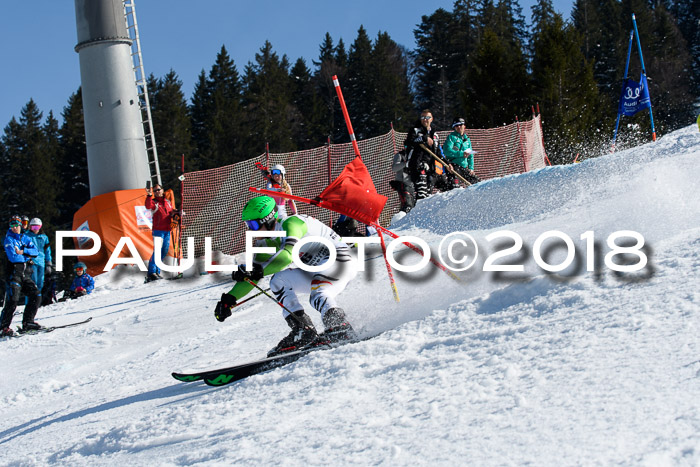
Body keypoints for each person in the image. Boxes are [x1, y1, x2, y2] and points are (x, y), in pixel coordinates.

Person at [213, 196, 358, 357]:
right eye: (248, 225)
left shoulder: (292, 224)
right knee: (278, 281)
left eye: (253, 224)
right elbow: (253, 278)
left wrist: (255, 270)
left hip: (342, 260)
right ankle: (303, 330)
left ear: (268, 219)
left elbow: (287, 256)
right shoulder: (265, 243)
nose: (251, 230)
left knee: (318, 291)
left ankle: (340, 327)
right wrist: (229, 299)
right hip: (317, 269)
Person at [0, 217, 41, 337]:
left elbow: (36, 252)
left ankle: (28, 322)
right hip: (13, 275)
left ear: (20, 225)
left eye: (16, 225)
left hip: (24, 274)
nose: (14, 227)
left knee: (36, 295)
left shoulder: (25, 238)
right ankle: (3, 327)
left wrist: (23, 252)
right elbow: (13, 257)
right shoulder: (9, 239)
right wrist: (27, 256)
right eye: (12, 225)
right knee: (13, 300)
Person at [404, 109, 442, 200]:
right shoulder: (415, 130)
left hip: (431, 167)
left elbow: (439, 153)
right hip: (417, 165)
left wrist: (448, 164)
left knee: (428, 194)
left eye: (427, 117)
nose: (425, 119)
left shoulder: (435, 134)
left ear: (432, 119)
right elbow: (408, 142)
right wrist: (424, 138)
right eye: (423, 117)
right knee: (421, 194)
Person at [145, 183, 177, 282]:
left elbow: (171, 211)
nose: (157, 192)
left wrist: (177, 213)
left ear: (162, 190)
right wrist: (149, 195)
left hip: (167, 230)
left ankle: (157, 271)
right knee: (158, 251)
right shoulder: (154, 202)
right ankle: (151, 272)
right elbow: (147, 205)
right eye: (155, 191)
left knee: (164, 251)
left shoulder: (167, 201)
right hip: (158, 231)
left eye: (158, 189)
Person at [442, 117, 482, 185]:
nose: (459, 127)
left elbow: (470, 155)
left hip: (464, 167)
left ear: (464, 126)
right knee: (455, 186)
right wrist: (461, 154)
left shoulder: (467, 139)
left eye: (460, 125)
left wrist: (471, 168)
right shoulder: (451, 137)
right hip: (453, 166)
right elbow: (446, 151)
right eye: (456, 126)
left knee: (477, 183)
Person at [25, 218, 52, 305]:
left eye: (38, 227)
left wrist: (48, 263)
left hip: (41, 262)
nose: (36, 229)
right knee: (33, 283)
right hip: (32, 262)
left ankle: (37, 303)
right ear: (30, 227)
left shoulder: (44, 237)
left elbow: (47, 250)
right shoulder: (27, 236)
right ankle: (28, 303)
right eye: (33, 227)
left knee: (40, 283)